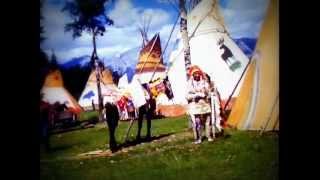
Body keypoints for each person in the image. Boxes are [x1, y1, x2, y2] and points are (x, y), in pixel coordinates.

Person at [186, 65, 213, 144]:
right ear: (192, 75)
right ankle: (198, 138)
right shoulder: (189, 84)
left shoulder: (204, 82)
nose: (197, 75)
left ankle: (208, 136)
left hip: (205, 103)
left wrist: (207, 94)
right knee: (197, 122)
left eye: (198, 73)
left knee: (208, 120)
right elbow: (187, 96)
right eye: (195, 74)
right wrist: (196, 95)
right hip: (195, 104)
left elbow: (208, 93)